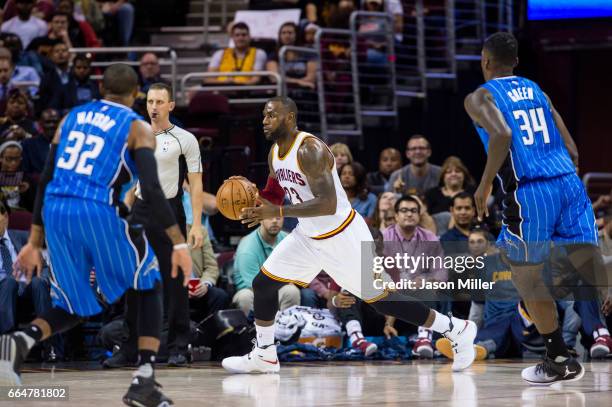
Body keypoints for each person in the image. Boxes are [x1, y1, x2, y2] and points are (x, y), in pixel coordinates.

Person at [221, 96, 476, 374]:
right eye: (264, 115)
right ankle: (265, 355)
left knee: (381, 300)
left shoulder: (310, 150)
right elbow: (274, 193)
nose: (265, 121)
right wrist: (254, 200)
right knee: (263, 284)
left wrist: (277, 212)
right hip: (308, 235)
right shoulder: (275, 153)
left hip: (343, 236)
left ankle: (455, 328)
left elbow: (327, 203)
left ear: (290, 118)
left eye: (271, 115)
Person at [0, 64, 192, 407]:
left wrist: (33, 240)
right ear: (136, 94)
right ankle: (144, 380)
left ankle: (19, 341)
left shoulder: (70, 117)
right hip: (95, 209)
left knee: (76, 304)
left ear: (102, 88)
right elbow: (151, 187)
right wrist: (178, 242)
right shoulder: (136, 127)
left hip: (56, 212)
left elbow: (45, 177)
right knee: (149, 281)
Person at [464, 32, 611, 385]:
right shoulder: (537, 90)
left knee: (526, 277)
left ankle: (558, 356)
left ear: (485, 61)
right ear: (515, 61)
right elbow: (573, 150)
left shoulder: (479, 96)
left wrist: (484, 185)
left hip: (530, 191)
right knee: (589, 266)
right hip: (569, 183)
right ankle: (574, 344)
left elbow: (501, 136)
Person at [111, 82, 204, 368]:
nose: (154, 107)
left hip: (170, 210)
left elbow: (197, 184)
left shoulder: (185, 139)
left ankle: (179, 346)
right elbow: (128, 179)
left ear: (171, 105)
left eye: (160, 102)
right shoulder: (136, 134)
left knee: (176, 281)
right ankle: (129, 349)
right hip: (140, 210)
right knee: (134, 278)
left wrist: (197, 224)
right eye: (150, 101)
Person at [381, 195, 448, 358]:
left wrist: (425, 280)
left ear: (419, 215)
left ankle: (423, 339)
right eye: (404, 210)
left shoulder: (430, 238)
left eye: (413, 211)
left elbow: (441, 272)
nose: (409, 214)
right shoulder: (383, 238)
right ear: (396, 216)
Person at [233, 216, 301, 316]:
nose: (274, 221)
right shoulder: (247, 248)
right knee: (245, 297)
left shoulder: (288, 239)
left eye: (278, 217)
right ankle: (248, 330)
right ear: (260, 219)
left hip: (278, 286)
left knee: (291, 291)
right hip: (251, 290)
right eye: (269, 216)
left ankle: (287, 328)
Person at [266, 22, 316, 90]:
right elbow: (274, 78)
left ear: (296, 35)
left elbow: (311, 77)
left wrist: (293, 82)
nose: (286, 36)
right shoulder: (274, 55)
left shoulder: (307, 52)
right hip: (282, 92)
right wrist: (298, 82)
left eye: (290, 33)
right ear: (279, 36)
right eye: (283, 33)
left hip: (305, 91)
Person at [21, 108, 58, 176]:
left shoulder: (67, 143)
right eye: (48, 122)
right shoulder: (28, 144)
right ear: (40, 123)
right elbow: (25, 171)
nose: (52, 125)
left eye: (55, 122)